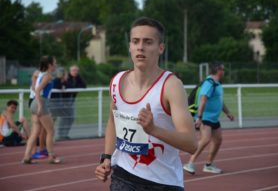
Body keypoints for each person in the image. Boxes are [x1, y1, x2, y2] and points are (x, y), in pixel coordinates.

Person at [95, 17, 197, 191]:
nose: (140, 47)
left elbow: (191, 143)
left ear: (160, 48)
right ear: (130, 46)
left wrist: (153, 130)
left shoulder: (171, 86)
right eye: (135, 41)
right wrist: (107, 158)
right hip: (123, 177)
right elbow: (113, 122)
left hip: (163, 182)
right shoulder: (116, 81)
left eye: (148, 42)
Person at [183, 61, 234, 174]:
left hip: (214, 118)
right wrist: (199, 117)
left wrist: (228, 113)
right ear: (218, 70)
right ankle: (190, 163)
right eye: (223, 69)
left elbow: (220, 101)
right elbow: (203, 100)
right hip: (205, 117)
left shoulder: (218, 84)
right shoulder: (209, 83)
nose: (224, 71)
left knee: (218, 140)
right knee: (205, 139)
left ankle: (209, 164)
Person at [22, 56, 62, 164]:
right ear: (49, 65)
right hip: (41, 103)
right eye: (55, 63)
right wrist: (40, 105)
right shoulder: (47, 76)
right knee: (50, 131)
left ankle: (26, 156)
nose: (56, 65)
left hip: (35, 103)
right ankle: (51, 157)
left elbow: (35, 87)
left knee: (35, 132)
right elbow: (38, 90)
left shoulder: (40, 73)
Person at [57, 65, 86, 140]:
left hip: (71, 100)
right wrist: (75, 88)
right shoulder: (66, 77)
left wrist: (75, 89)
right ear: (70, 71)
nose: (75, 72)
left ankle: (65, 134)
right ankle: (60, 135)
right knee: (64, 118)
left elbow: (84, 85)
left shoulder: (78, 77)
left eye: (76, 70)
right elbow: (67, 86)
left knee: (71, 118)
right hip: (63, 100)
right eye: (73, 70)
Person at [29, 70, 48, 159]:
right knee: (36, 129)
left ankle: (41, 149)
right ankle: (33, 151)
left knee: (42, 129)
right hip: (35, 101)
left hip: (37, 101)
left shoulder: (42, 75)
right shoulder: (38, 74)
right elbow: (34, 89)